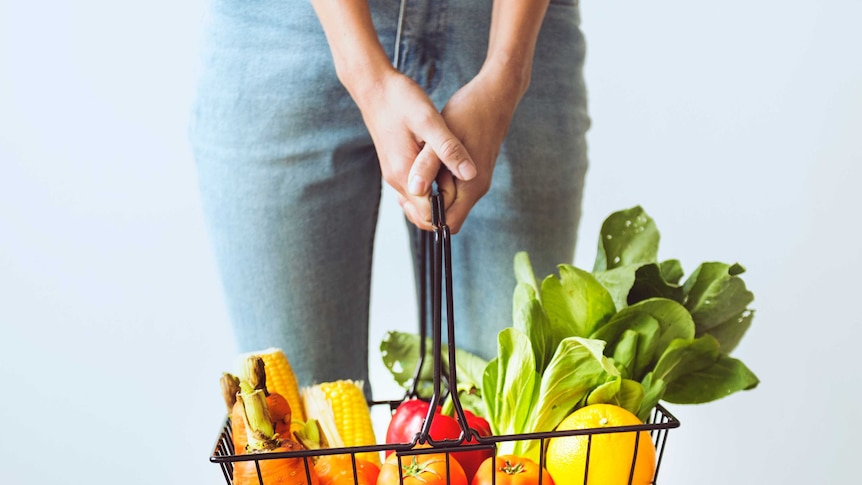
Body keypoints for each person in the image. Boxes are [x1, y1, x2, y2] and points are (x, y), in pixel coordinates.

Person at [189, 0, 590, 392]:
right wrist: (366, 77)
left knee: (508, 422)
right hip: (283, 29)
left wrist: (507, 74)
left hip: (512, 26)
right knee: (305, 428)